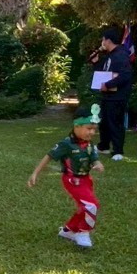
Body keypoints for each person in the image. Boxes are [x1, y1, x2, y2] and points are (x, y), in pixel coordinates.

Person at [29, 104, 105, 248]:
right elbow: (49, 156)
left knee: (84, 206)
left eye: (94, 129)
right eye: (89, 128)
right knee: (92, 206)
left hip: (86, 180)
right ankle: (83, 232)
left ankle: (68, 231)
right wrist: (35, 173)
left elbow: (94, 157)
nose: (92, 132)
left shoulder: (89, 144)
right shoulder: (66, 144)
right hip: (72, 180)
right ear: (77, 126)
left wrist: (98, 163)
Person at [92, 25, 135, 160]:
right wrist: (96, 63)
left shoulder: (121, 55)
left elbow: (126, 75)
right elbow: (105, 74)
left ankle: (117, 151)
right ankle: (103, 146)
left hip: (118, 96)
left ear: (108, 40)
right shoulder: (110, 55)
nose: (102, 43)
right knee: (104, 122)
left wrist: (108, 85)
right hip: (107, 96)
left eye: (103, 40)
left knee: (115, 123)